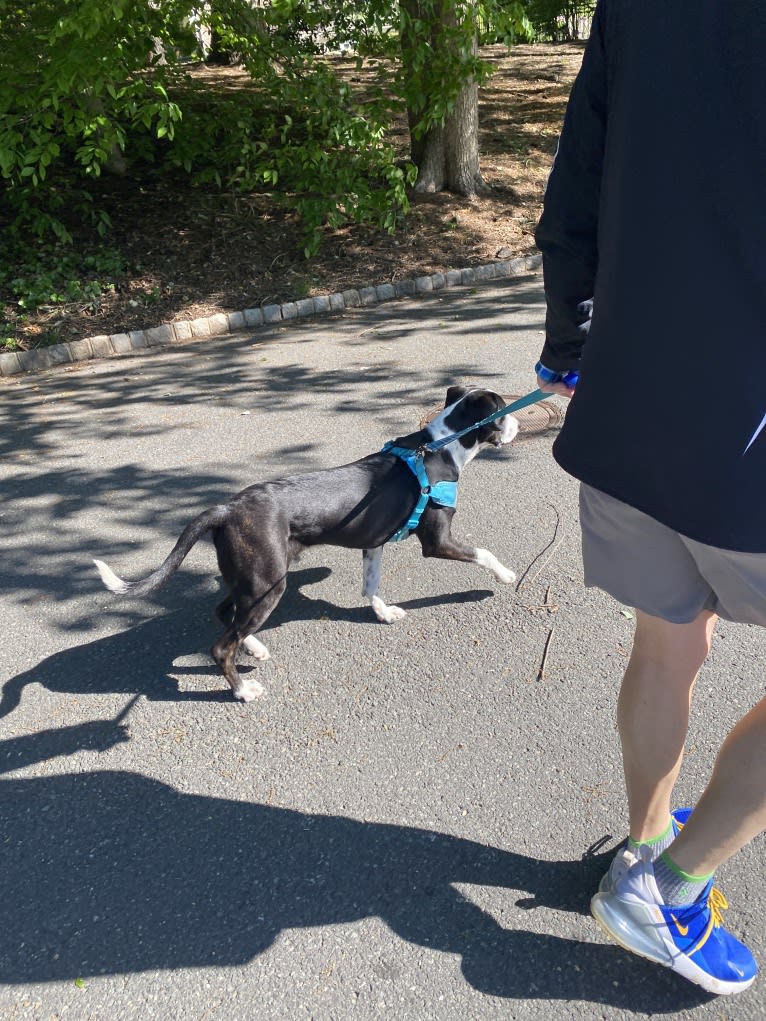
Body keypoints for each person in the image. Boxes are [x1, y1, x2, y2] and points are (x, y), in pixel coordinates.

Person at [532, 0, 766, 997]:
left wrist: (569, 339)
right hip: (744, 435)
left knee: (665, 644)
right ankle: (664, 889)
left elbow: (579, 164)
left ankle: (641, 846)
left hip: (632, 405)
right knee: (669, 648)